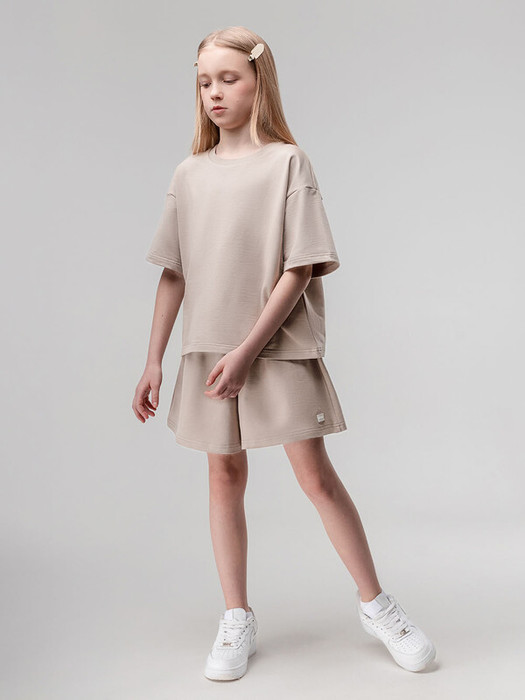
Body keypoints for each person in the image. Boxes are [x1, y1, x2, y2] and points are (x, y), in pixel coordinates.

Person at [132, 26, 436, 682]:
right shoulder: (189, 173)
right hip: (207, 348)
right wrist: (154, 360)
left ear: (258, 82)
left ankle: (377, 605)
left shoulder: (287, 163)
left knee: (315, 476)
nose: (214, 93)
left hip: (274, 348)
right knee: (223, 477)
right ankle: (236, 615)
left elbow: (299, 267)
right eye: (204, 82)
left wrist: (247, 350)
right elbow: (174, 272)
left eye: (228, 79)